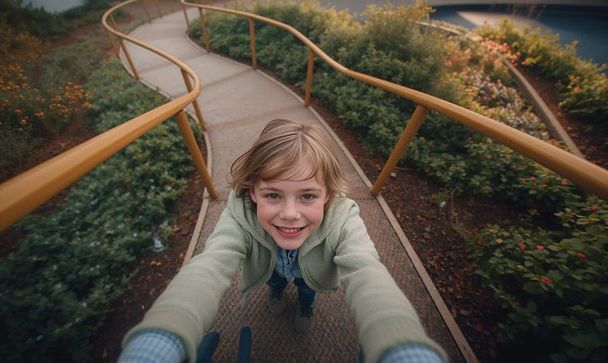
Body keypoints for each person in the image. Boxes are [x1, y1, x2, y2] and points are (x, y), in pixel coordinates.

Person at [118, 119, 447, 363]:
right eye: (273, 195)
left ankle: (305, 304)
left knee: (306, 289)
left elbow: (366, 270)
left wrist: (401, 346)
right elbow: (210, 264)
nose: (290, 214)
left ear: (328, 195)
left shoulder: (343, 217)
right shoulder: (239, 213)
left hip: (310, 272)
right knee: (275, 281)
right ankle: (276, 289)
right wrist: (162, 338)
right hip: (272, 266)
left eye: (307, 196)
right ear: (253, 193)